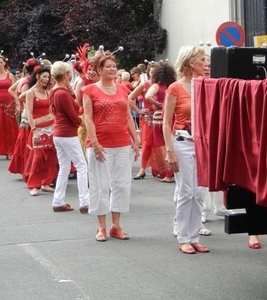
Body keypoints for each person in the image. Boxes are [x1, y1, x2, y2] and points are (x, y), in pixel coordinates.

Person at [83, 53, 140, 242]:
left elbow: (128, 116)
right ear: (99, 70)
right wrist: (95, 142)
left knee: (121, 185)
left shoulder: (123, 89)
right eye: (108, 66)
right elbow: (88, 118)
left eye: (114, 66)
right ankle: (101, 227)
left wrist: (135, 139)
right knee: (100, 185)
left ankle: (116, 226)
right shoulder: (90, 90)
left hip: (122, 143)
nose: (112, 69)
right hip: (100, 145)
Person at [163, 46, 210, 254]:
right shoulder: (175, 88)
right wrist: (169, 150)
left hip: (202, 143)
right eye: (202, 60)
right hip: (182, 142)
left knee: (199, 192)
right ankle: (183, 236)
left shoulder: (206, 86)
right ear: (191, 63)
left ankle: (194, 236)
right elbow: (166, 122)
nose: (206, 64)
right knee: (186, 190)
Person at [49, 61, 90, 213]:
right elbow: (74, 116)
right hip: (67, 133)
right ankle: (85, 202)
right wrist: (88, 126)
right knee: (81, 166)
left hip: (59, 133)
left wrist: (72, 93)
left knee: (64, 167)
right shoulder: (62, 93)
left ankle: (58, 200)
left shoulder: (55, 92)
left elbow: (75, 108)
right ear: (65, 75)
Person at [23, 66, 57, 196]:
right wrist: (34, 130)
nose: (46, 79)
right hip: (38, 129)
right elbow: (30, 113)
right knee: (37, 157)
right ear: (37, 76)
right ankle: (33, 184)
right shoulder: (30, 93)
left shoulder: (48, 92)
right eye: (44, 76)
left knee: (50, 157)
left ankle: (46, 183)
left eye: (48, 77)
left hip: (51, 127)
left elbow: (50, 110)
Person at [144, 61, 177, 182]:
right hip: (171, 117)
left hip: (159, 119)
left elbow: (147, 96)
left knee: (161, 146)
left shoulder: (155, 86)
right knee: (171, 144)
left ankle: (168, 173)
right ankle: (173, 171)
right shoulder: (172, 86)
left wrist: (156, 104)